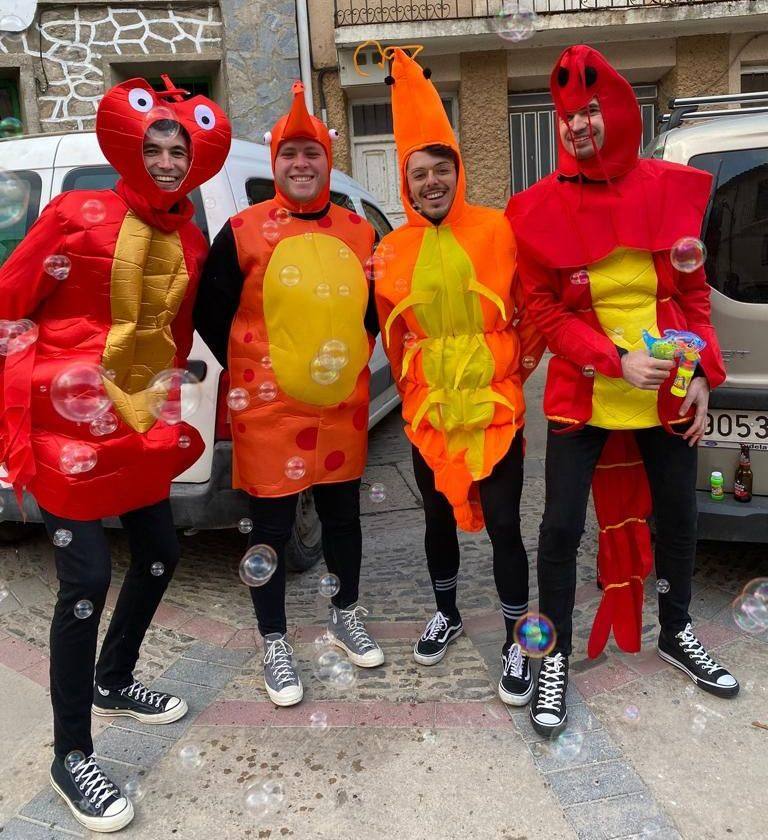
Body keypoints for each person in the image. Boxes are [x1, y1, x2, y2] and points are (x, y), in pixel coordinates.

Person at [0, 77, 231, 830]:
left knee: (161, 552)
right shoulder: (74, 213)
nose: (167, 160)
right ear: (133, 148)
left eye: (180, 150)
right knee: (86, 581)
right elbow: (10, 299)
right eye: (157, 146)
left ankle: (115, 676)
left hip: (134, 426)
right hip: (64, 431)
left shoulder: (191, 237)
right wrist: (32, 381)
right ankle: (72, 757)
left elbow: (182, 327)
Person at [506, 45, 739, 739]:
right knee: (558, 529)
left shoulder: (668, 190)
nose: (577, 126)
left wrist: (702, 374)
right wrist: (611, 360)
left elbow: (695, 300)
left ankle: (675, 629)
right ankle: (554, 659)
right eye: (566, 117)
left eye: (588, 113)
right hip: (585, 395)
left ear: (614, 111)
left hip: (663, 397)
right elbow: (544, 312)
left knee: (680, 518)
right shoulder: (542, 208)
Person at [194, 81, 384, 709]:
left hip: (338, 404)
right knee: (271, 526)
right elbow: (210, 311)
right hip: (268, 409)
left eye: (312, 154)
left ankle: (345, 610)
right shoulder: (243, 230)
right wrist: (254, 370)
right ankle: (274, 639)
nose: (301, 165)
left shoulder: (360, 233)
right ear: (274, 164)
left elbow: (372, 311)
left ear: (329, 162)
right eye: (289, 155)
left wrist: (345, 359)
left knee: (342, 517)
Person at [374, 49, 545, 706]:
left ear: (458, 171)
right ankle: (445, 611)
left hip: (496, 412)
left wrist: (509, 377)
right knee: (436, 523)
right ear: (406, 181)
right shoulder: (390, 249)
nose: (432, 181)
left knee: (505, 524)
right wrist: (417, 393)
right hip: (428, 417)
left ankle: (514, 636)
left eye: (441, 168)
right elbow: (391, 328)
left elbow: (529, 313)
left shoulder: (498, 230)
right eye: (419, 173)